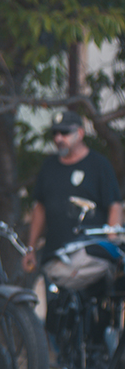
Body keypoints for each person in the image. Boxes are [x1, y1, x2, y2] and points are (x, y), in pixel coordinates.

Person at [23, 110, 123, 274]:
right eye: (55, 133)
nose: (58, 138)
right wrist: (31, 248)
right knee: (56, 298)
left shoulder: (99, 165)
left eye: (65, 132)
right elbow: (39, 208)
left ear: (80, 133)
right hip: (55, 257)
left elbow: (114, 206)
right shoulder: (49, 167)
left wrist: (112, 245)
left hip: (91, 258)